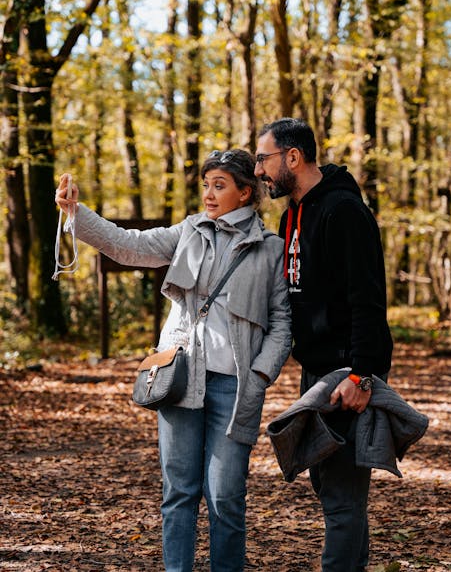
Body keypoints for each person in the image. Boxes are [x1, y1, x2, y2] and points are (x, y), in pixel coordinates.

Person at [55, 149, 291, 572]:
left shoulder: (270, 249)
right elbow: (128, 246)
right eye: (205, 185)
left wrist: (258, 375)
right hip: (180, 380)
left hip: (235, 390)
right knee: (179, 493)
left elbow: (282, 322)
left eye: (219, 185)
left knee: (225, 499)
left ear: (245, 192)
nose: (209, 194)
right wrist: (77, 212)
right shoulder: (189, 231)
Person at [254, 119, 393, 572]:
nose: (259, 171)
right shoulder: (291, 214)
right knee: (333, 490)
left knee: (340, 496)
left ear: (292, 157)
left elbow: (368, 300)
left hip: (346, 373)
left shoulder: (343, 211)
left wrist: (362, 374)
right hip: (315, 374)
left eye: (263, 159)